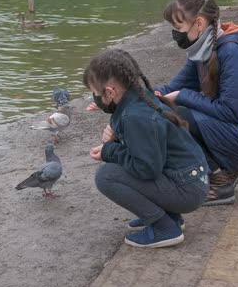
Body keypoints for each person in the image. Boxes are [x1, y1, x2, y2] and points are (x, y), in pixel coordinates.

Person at [156, 0, 238, 206]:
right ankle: (228, 167)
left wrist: (183, 96)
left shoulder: (232, 53)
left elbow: (229, 111)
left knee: (175, 116)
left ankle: (220, 180)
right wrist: (129, 95)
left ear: (199, 23)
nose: (175, 34)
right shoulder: (201, 50)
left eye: (178, 28)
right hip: (234, 127)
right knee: (165, 109)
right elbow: (170, 88)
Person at [85, 49, 210, 248]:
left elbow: (146, 168)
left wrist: (110, 151)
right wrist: (116, 140)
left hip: (187, 189)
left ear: (110, 92)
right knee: (118, 170)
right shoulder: (143, 99)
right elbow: (149, 152)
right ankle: (170, 218)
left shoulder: (135, 116)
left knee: (106, 176)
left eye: (96, 93)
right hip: (193, 180)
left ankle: (164, 228)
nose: (95, 98)